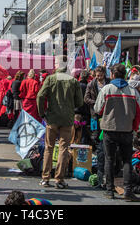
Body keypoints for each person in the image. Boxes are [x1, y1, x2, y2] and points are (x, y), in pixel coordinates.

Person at [94, 64, 140, 201]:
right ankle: (128, 191)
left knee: (109, 159)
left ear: (113, 75)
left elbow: (98, 109)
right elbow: (139, 112)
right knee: (127, 160)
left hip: (109, 129)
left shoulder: (106, 89)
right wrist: (134, 127)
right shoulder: (133, 91)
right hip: (127, 129)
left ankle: (109, 191)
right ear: (125, 75)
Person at [37, 56, 83, 189]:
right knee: (64, 149)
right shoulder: (73, 80)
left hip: (52, 117)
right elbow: (79, 102)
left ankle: (45, 178)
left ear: (57, 65)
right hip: (67, 118)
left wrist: (42, 113)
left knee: (48, 148)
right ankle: (59, 179)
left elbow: (40, 96)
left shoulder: (50, 79)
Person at [84, 66, 109, 188]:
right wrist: (96, 102)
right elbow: (86, 98)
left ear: (104, 74)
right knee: (95, 135)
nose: (98, 78)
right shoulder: (91, 84)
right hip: (95, 113)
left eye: (100, 76)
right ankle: (99, 152)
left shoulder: (109, 83)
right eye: (97, 76)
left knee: (106, 134)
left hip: (107, 113)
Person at [73, 70, 91, 144]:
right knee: (83, 130)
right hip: (85, 113)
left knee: (75, 130)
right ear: (87, 78)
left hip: (76, 113)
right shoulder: (88, 87)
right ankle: (83, 148)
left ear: (80, 76)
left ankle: (73, 146)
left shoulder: (75, 86)